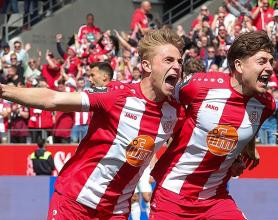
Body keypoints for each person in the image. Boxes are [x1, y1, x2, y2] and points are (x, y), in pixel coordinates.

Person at [0, 28, 185, 219]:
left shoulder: (175, 111)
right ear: (146, 66)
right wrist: (3, 90)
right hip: (75, 203)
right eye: (168, 60)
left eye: (179, 61)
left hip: (116, 211)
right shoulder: (116, 96)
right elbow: (53, 99)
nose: (177, 66)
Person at [149, 30, 276, 219]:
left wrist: (245, 150)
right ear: (239, 65)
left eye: (271, 62)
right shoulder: (200, 85)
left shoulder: (266, 104)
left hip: (215, 199)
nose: (270, 68)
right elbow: (158, 99)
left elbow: (242, 126)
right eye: (262, 61)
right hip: (172, 195)